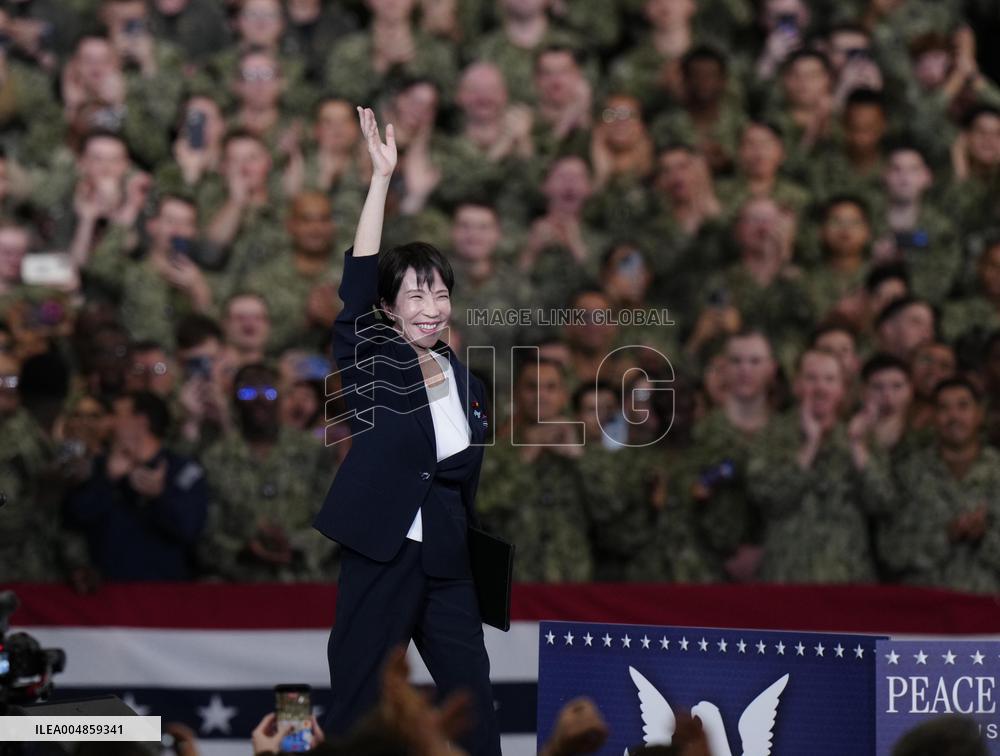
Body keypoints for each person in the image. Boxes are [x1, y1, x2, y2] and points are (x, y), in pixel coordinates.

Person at [314, 107, 500, 755]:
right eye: (415, 297)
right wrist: (380, 179)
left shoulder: (471, 382)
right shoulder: (371, 355)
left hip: (448, 562)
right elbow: (360, 273)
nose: (432, 308)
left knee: (469, 701)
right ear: (389, 311)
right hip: (383, 551)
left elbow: (457, 479)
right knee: (359, 697)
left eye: (440, 293)